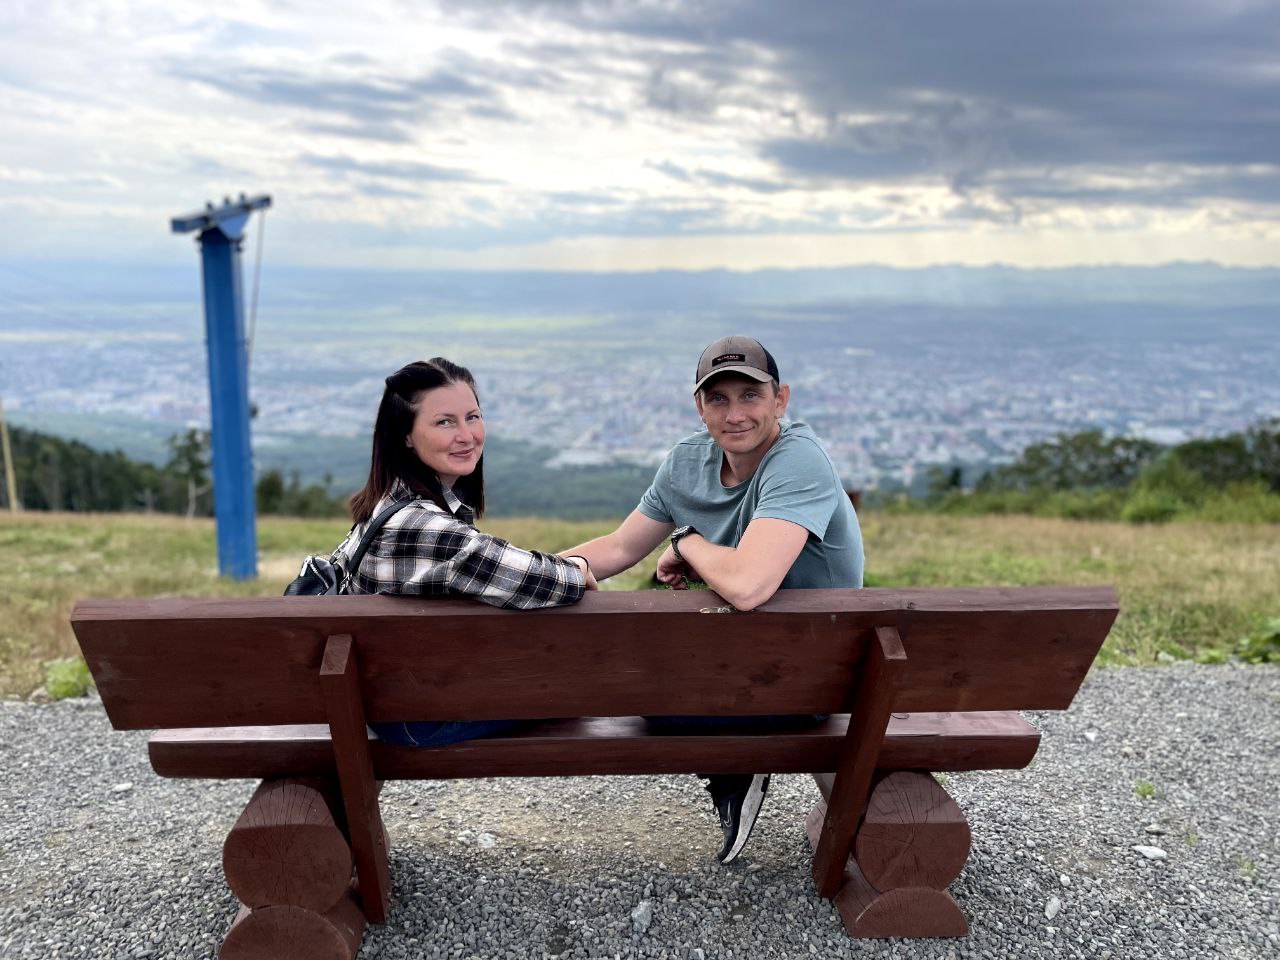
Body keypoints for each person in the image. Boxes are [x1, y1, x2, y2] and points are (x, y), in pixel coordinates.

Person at [561, 335, 863, 863]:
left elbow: (746, 586)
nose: (735, 413)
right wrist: (526, 570)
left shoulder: (799, 461)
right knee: (645, 686)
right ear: (698, 407)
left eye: (750, 395)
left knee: (646, 686)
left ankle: (736, 769)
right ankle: (737, 768)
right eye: (717, 398)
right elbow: (618, 547)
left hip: (814, 673)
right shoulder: (686, 463)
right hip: (745, 657)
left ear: (780, 399)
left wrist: (688, 543)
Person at [332, 357, 597, 747]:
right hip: (416, 717)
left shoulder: (384, 504)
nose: (467, 435)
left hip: (388, 698)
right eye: (444, 422)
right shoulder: (423, 526)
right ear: (405, 435)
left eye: (472, 417)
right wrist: (577, 566)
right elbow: (536, 580)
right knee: (578, 685)